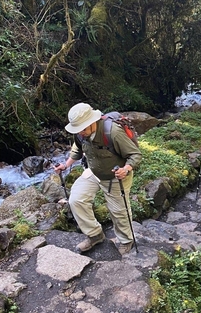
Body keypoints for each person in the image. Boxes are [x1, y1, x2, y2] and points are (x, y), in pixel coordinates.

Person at [54, 103, 142, 255]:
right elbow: (77, 149)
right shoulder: (80, 133)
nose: (81, 133)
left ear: (92, 122)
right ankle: (95, 235)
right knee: (76, 200)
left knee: (119, 212)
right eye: (78, 130)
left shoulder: (113, 132)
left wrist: (126, 169)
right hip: (93, 172)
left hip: (116, 176)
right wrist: (66, 164)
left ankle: (126, 240)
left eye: (83, 129)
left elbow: (135, 155)